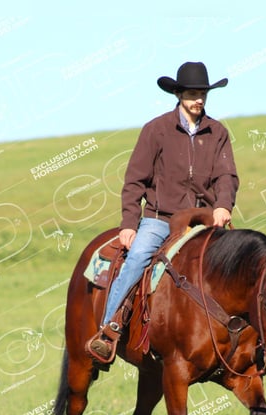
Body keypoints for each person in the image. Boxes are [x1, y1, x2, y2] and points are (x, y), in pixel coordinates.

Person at [87, 61, 239, 363]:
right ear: (179, 95)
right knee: (137, 261)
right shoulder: (156, 130)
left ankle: (252, 343)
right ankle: (108, 330)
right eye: (193, 93)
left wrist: (223, 205)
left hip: (204, 221)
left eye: (203, 94)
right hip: (161, 220)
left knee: (242, 266)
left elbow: (227, 177)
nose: (199, 100)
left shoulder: (218, 132)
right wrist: (129, 224)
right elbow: (135, 181)